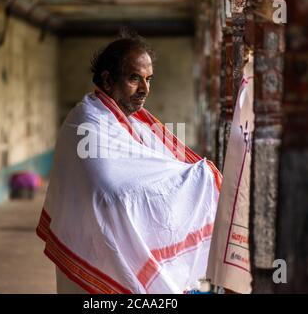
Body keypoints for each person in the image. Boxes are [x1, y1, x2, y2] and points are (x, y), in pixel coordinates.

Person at [36, 31, 221, 294]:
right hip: (95, 248)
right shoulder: (86, 122)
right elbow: (111, 192)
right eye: (135, 78)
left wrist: (196, 177)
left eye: (148, 79)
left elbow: (156, 169)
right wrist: (201, 180)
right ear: (108, 80)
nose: (145, 89)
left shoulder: (129, 120)